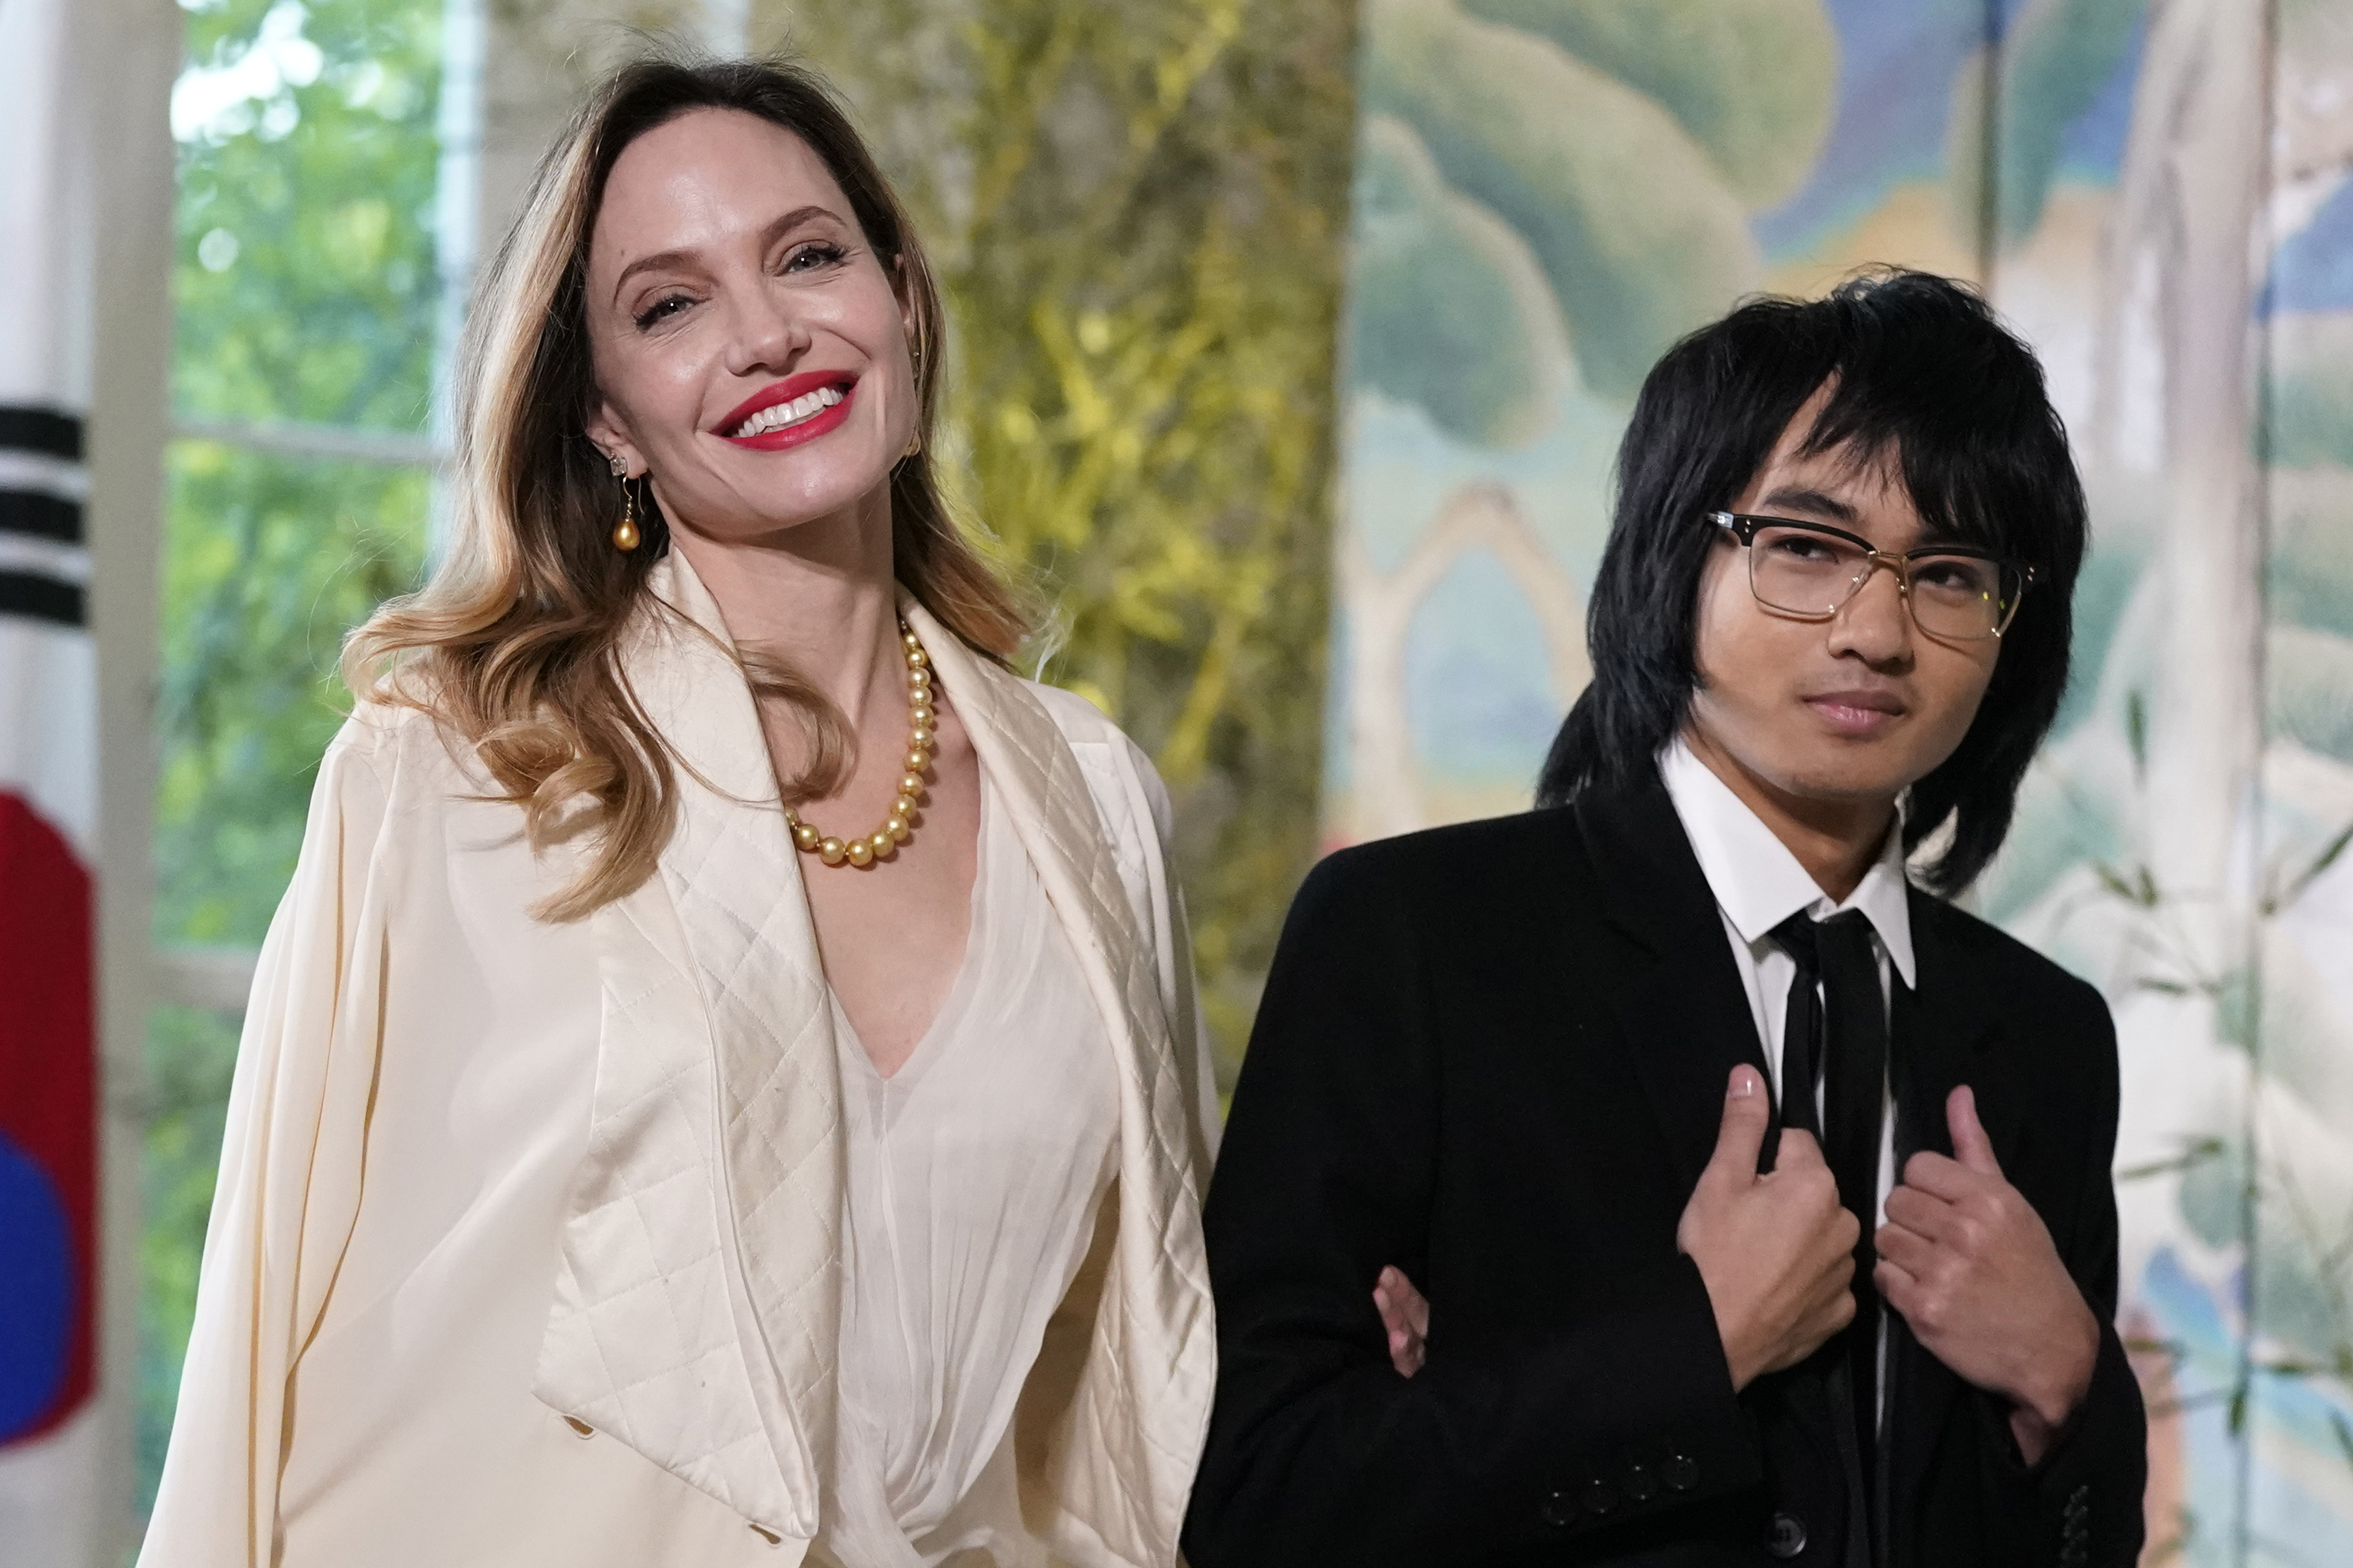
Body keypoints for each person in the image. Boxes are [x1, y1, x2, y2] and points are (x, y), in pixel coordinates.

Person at [141, 57, 1223, 1568]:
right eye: (670, 304)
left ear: (902, 299)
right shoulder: (449, 772)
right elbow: (258, 1331)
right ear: (608, 419)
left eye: (807, 255)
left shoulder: (1095, 801)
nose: (767, 332)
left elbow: (1129, 1379)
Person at [1184, 271, 2147, 1568]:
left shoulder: (2043, 1034)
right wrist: (1694, 1347)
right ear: (1672, 555)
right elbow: (1252, 1493)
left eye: (1950, 571)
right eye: (1806, 546)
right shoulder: (1415, 938)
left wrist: (2066, 1384)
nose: (1876, 629)